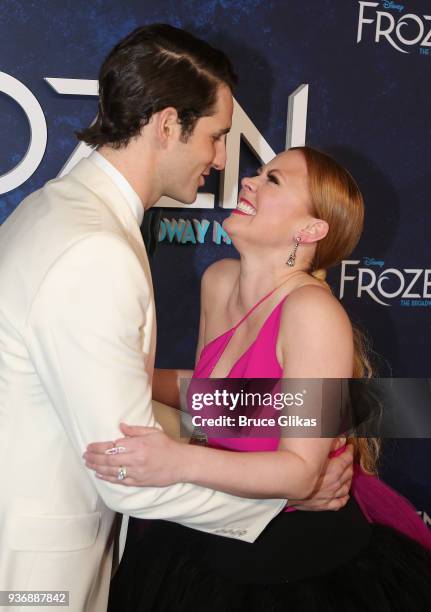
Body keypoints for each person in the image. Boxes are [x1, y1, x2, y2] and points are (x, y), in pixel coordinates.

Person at [0, 26, 352, 612]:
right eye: (216, 137)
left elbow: (227, 408)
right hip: (39, 569)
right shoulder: (99, 249)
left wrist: (299, 465)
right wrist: (290, 495)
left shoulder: (59, 209)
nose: (223, 161)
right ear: (167, 125)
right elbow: (125, 464)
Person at [85, 147, 431, 611]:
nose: (249, 181)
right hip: (212, 541)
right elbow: (217, 407)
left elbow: (301, 471)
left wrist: (173, 461)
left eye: (273, 181)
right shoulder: (220, 281)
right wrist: (125, 374)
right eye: (260, 173)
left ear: (310, 230)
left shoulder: (314, 313)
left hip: (292, 569)